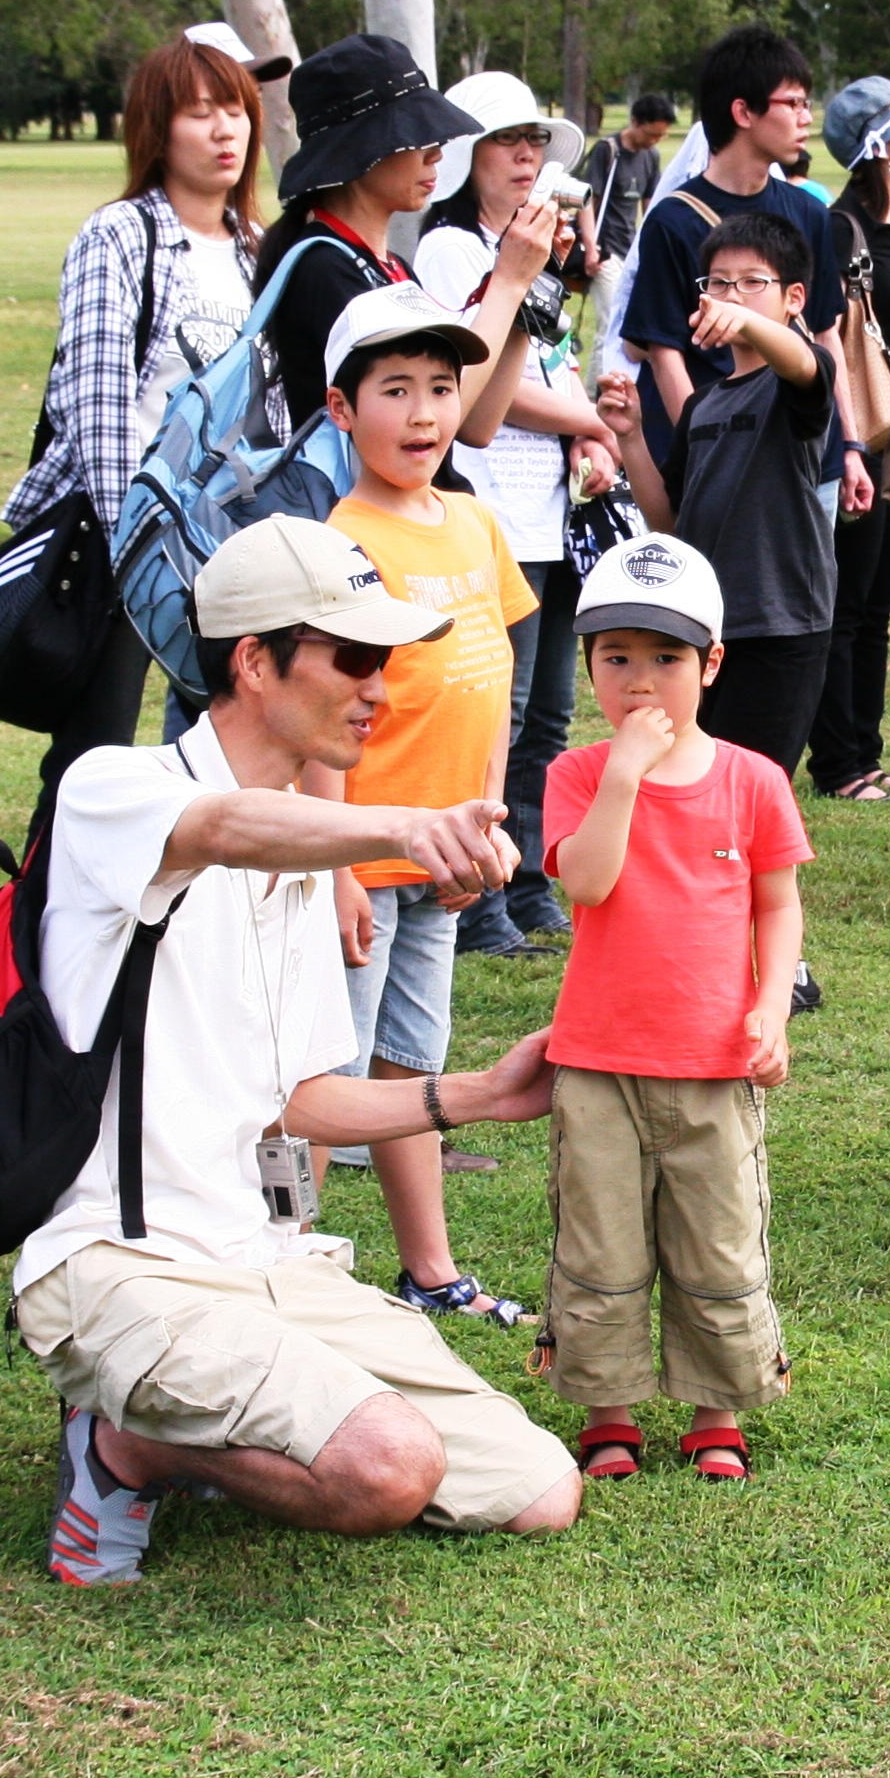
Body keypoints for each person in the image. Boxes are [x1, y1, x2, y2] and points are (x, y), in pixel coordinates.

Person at [20, 515, 581, 1584]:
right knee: (390, 1469)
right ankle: (122, 1444)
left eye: (388, 662)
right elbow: (222, 828)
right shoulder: (113, 790)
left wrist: (481, 1093)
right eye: (353, 658)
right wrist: (399, 829)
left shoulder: (306, 861)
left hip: (266, 1262)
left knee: (541, 1489)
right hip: (118, 1266)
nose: (380, 688)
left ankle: (209, 1420)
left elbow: (301, 1099)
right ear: (253, 661)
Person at [536, 535, 809, 1484]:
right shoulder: (576, 777)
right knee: (601, 1239)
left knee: (717, 1235)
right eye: (616, 659)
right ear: (588, 668)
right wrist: (621, 775)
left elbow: (778, 907)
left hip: (714, 1063)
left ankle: (716, 1408)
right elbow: (590, 882)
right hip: (600, 1061)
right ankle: (608, 1411)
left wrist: (770, 1009)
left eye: (666, 659)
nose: (640, 683)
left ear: (712, 664)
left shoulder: (752, 781)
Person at [310, 289, 541, 1323]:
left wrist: (484, 824)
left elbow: (489, 684)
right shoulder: (337, 543)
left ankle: (431, 1272)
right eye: (394, 389)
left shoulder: (479, 524)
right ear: (340, 409)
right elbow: (320, 722)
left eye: (441, 388)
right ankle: (291, 1276)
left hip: (445, 859)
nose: (422, 413)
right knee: (325, 1078)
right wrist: (336, 868)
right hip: (364, 858)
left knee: (416, 1066)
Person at [10, 28, 287, 805]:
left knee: (224, 755)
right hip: (126, 547)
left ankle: (190, 922)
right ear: (156, 129)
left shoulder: (255, 248)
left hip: (227, 548)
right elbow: (96, 408)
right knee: (89, 763)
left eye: (235, 109)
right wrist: (134, 547)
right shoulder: (120, 235)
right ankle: (54, 922)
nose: (225, 129)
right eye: (200, 112)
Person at [411, 73, 614, 959]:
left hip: (553, 513)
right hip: (487, 508)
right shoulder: (455, 252)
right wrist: (589, 420)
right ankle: (478, 903)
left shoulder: (540, 256)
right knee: (499, 707)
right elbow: (485, 391)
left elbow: (554, 371)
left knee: (550, 719)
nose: (528, 156)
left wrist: (589, 441)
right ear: (467, 157)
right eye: (507, 142)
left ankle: (529, 886)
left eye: (536, 141)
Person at [597, 214, 841, 780]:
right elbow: (668, 520)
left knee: (752, 782)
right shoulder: (703, 405)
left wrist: (749, 325)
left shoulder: (797, 381)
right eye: (718, 284)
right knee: (696, 777)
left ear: (794, 298)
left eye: (753, 282)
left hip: (781, 622)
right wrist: (630, 435)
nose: (731, 297)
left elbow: (803, 362)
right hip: (704, 623)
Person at [253, 35, 541, 442]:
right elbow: (439, 423)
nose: (435, 153)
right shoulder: (323, 269)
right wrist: (508, 282)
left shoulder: (391, 266)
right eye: (416, 137)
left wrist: (525, 294)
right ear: (361, 150)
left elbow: (477, 425)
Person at [618, 28, 848, 456]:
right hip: (721, 451)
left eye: (807, 104)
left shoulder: (810, 212)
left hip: (807, 451)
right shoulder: (673, 220)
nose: (805, 118)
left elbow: (824, 334)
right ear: (743, 112)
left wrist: (847, 444)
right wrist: (703, 445)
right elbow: (663, 353)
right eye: (793, 103)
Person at [809, 75, 890, 805]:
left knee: (879, 604)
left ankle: (867, 752)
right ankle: (837, 763)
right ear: (880, 146)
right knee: (848, 601)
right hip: (865, 434)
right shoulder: (840, 227)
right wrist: (850, 443)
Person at [575, 91, 676, 274]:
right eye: (650, 134)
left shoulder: (651, 156)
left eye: (660, 137)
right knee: (612, 304)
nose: (654, 141)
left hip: (630, 248)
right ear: (635, 121)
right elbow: (587, 202)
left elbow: (650, 206)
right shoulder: (607, 150)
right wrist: (591, 249)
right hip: (604, 250)